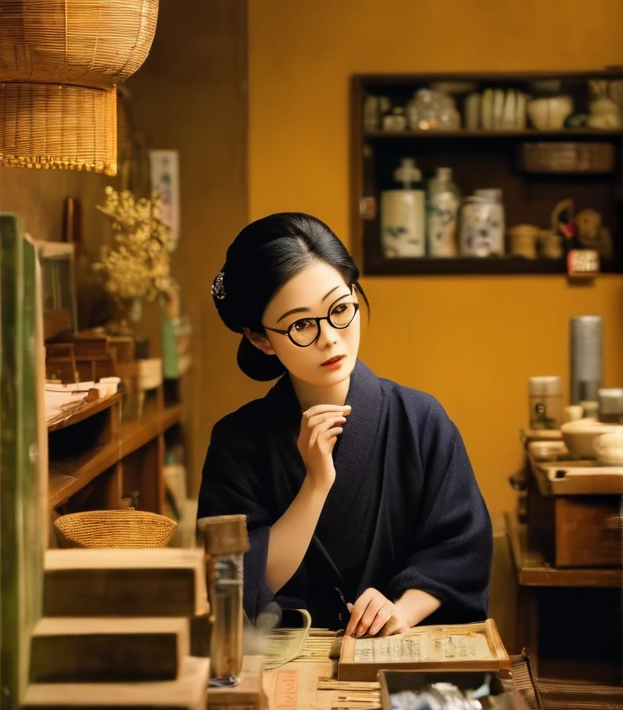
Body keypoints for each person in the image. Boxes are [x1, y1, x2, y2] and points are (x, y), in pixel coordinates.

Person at [198, 213, 492, 637]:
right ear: (261, 338)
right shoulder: (236, 441)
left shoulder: (421, 421)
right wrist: (315, 485)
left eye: (340, 309)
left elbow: (463, 549)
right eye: (301, 324)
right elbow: (233, 582)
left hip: (401, 653)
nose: (330, 337)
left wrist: (400, 611)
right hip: (288, 663)